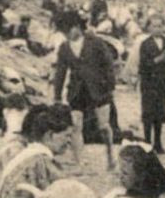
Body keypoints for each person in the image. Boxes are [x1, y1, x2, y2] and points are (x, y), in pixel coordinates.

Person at [51, 12, 119, 167]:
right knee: (76, 125)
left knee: (104, 127)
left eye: (68, 30)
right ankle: (78, 161)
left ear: (77, 27)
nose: (67, 34)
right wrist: (57, 95)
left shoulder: (95, 42)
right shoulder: (64, 48)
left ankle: (110, 154)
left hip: (99, 90)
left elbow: (109, 65)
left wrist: (110, 86)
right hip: (77, 91)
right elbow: (60, 72)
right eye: (63, 32)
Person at [137, 20, 165, 153]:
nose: (158, 28)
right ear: (149, 28)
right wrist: (158, 59)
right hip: (149, 82)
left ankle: (158, 143)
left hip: (162, 81)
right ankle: (147, 142)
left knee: (160, 112)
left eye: (160, 25)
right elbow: (143, 64)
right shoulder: (145, 44)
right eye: (155, 26)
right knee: (148, 112)